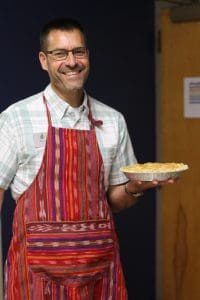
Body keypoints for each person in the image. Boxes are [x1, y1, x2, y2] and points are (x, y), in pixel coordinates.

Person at [0, 18, 175, 300]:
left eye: (79, 52)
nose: (72, 61)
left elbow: (115, 200)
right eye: (60, 54)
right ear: (44, 60)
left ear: (88, 56)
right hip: (34, 276)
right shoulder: (16, 119)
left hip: (100, 273)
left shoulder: (113, 120)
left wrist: (135, 188)